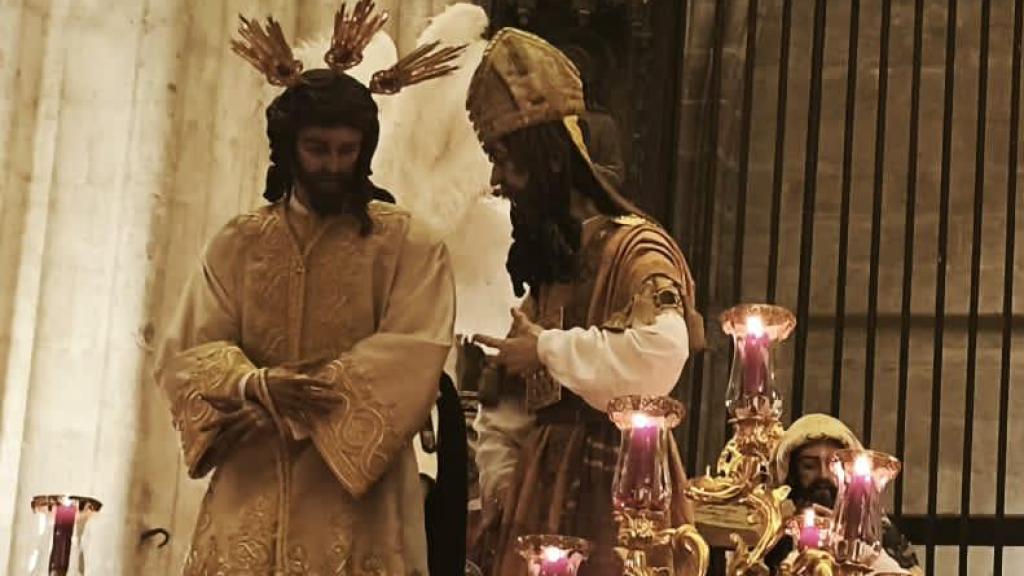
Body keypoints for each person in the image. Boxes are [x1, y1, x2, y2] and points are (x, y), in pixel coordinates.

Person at [153, 10, 456, 574]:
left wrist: (287, 411)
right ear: (288, 148)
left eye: (347, 150)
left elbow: (412, 353)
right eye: (318, 149)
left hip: (358, 501)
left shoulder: (409, 245)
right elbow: (186, 350)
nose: (333, 165)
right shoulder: (239, 242)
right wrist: (251, 384)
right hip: (250, 485)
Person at [465, 28, 705, 575]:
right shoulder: (553, 259)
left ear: (549, 158)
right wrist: (503, 477)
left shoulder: (637, 249)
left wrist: (547, 350)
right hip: (538, 491)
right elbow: (511, 396)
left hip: (620, 490)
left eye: (505, 159)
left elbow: (659, 361)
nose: (498, 179)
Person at [767, 414, 922, 575]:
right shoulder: (771, 526)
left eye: (833, 465)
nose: (823, 475)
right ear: (791, 472)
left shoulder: (875, 528)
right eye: (809, 466)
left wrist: (856, 543)